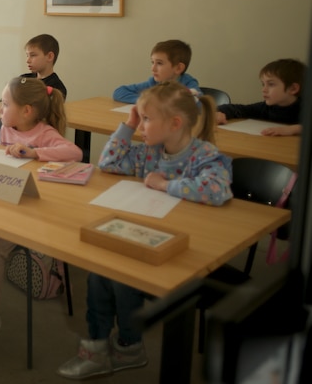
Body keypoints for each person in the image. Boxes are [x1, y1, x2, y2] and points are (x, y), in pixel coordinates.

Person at [57, 81, 232, 379]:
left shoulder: (203, 155)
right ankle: (97, 345)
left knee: (123, 278)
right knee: (99, 274)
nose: (141, 126)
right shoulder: (149, 151)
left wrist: (166, 185)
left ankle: (129, 346)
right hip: (143, 232)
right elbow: (109, 163)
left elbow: (217, 189)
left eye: (147, 119)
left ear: (175, 123)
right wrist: (128, 125)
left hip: (183, 247)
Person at [0, 77, 82, 355]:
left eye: (5, 104)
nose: (0, 109)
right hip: (7, 199)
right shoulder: (7, 128)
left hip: (34, 211)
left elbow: (75, 152)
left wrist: (36, 153)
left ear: (26, 110)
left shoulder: (44, 132)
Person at [216, 58, 305, 136]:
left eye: (271, 84)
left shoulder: (306, 109)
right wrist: (217, 112)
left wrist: (292, 129)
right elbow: (238, 109)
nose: (264, 89)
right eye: (263, 84)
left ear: (293, 88)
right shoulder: (266, 107)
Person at [112, 39, 200, 104]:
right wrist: (147, 101)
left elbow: (200, 105)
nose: (153, 68)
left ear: (178, 68)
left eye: (159, 63)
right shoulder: (154, 83)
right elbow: (119, 92)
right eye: (152, 62)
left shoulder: (188, 84)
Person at [20, 33, 68, 98]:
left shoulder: (57, 88)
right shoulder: (23, 79)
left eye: (33, 55)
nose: (28, 61)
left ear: (49, 56)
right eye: (27, 55)